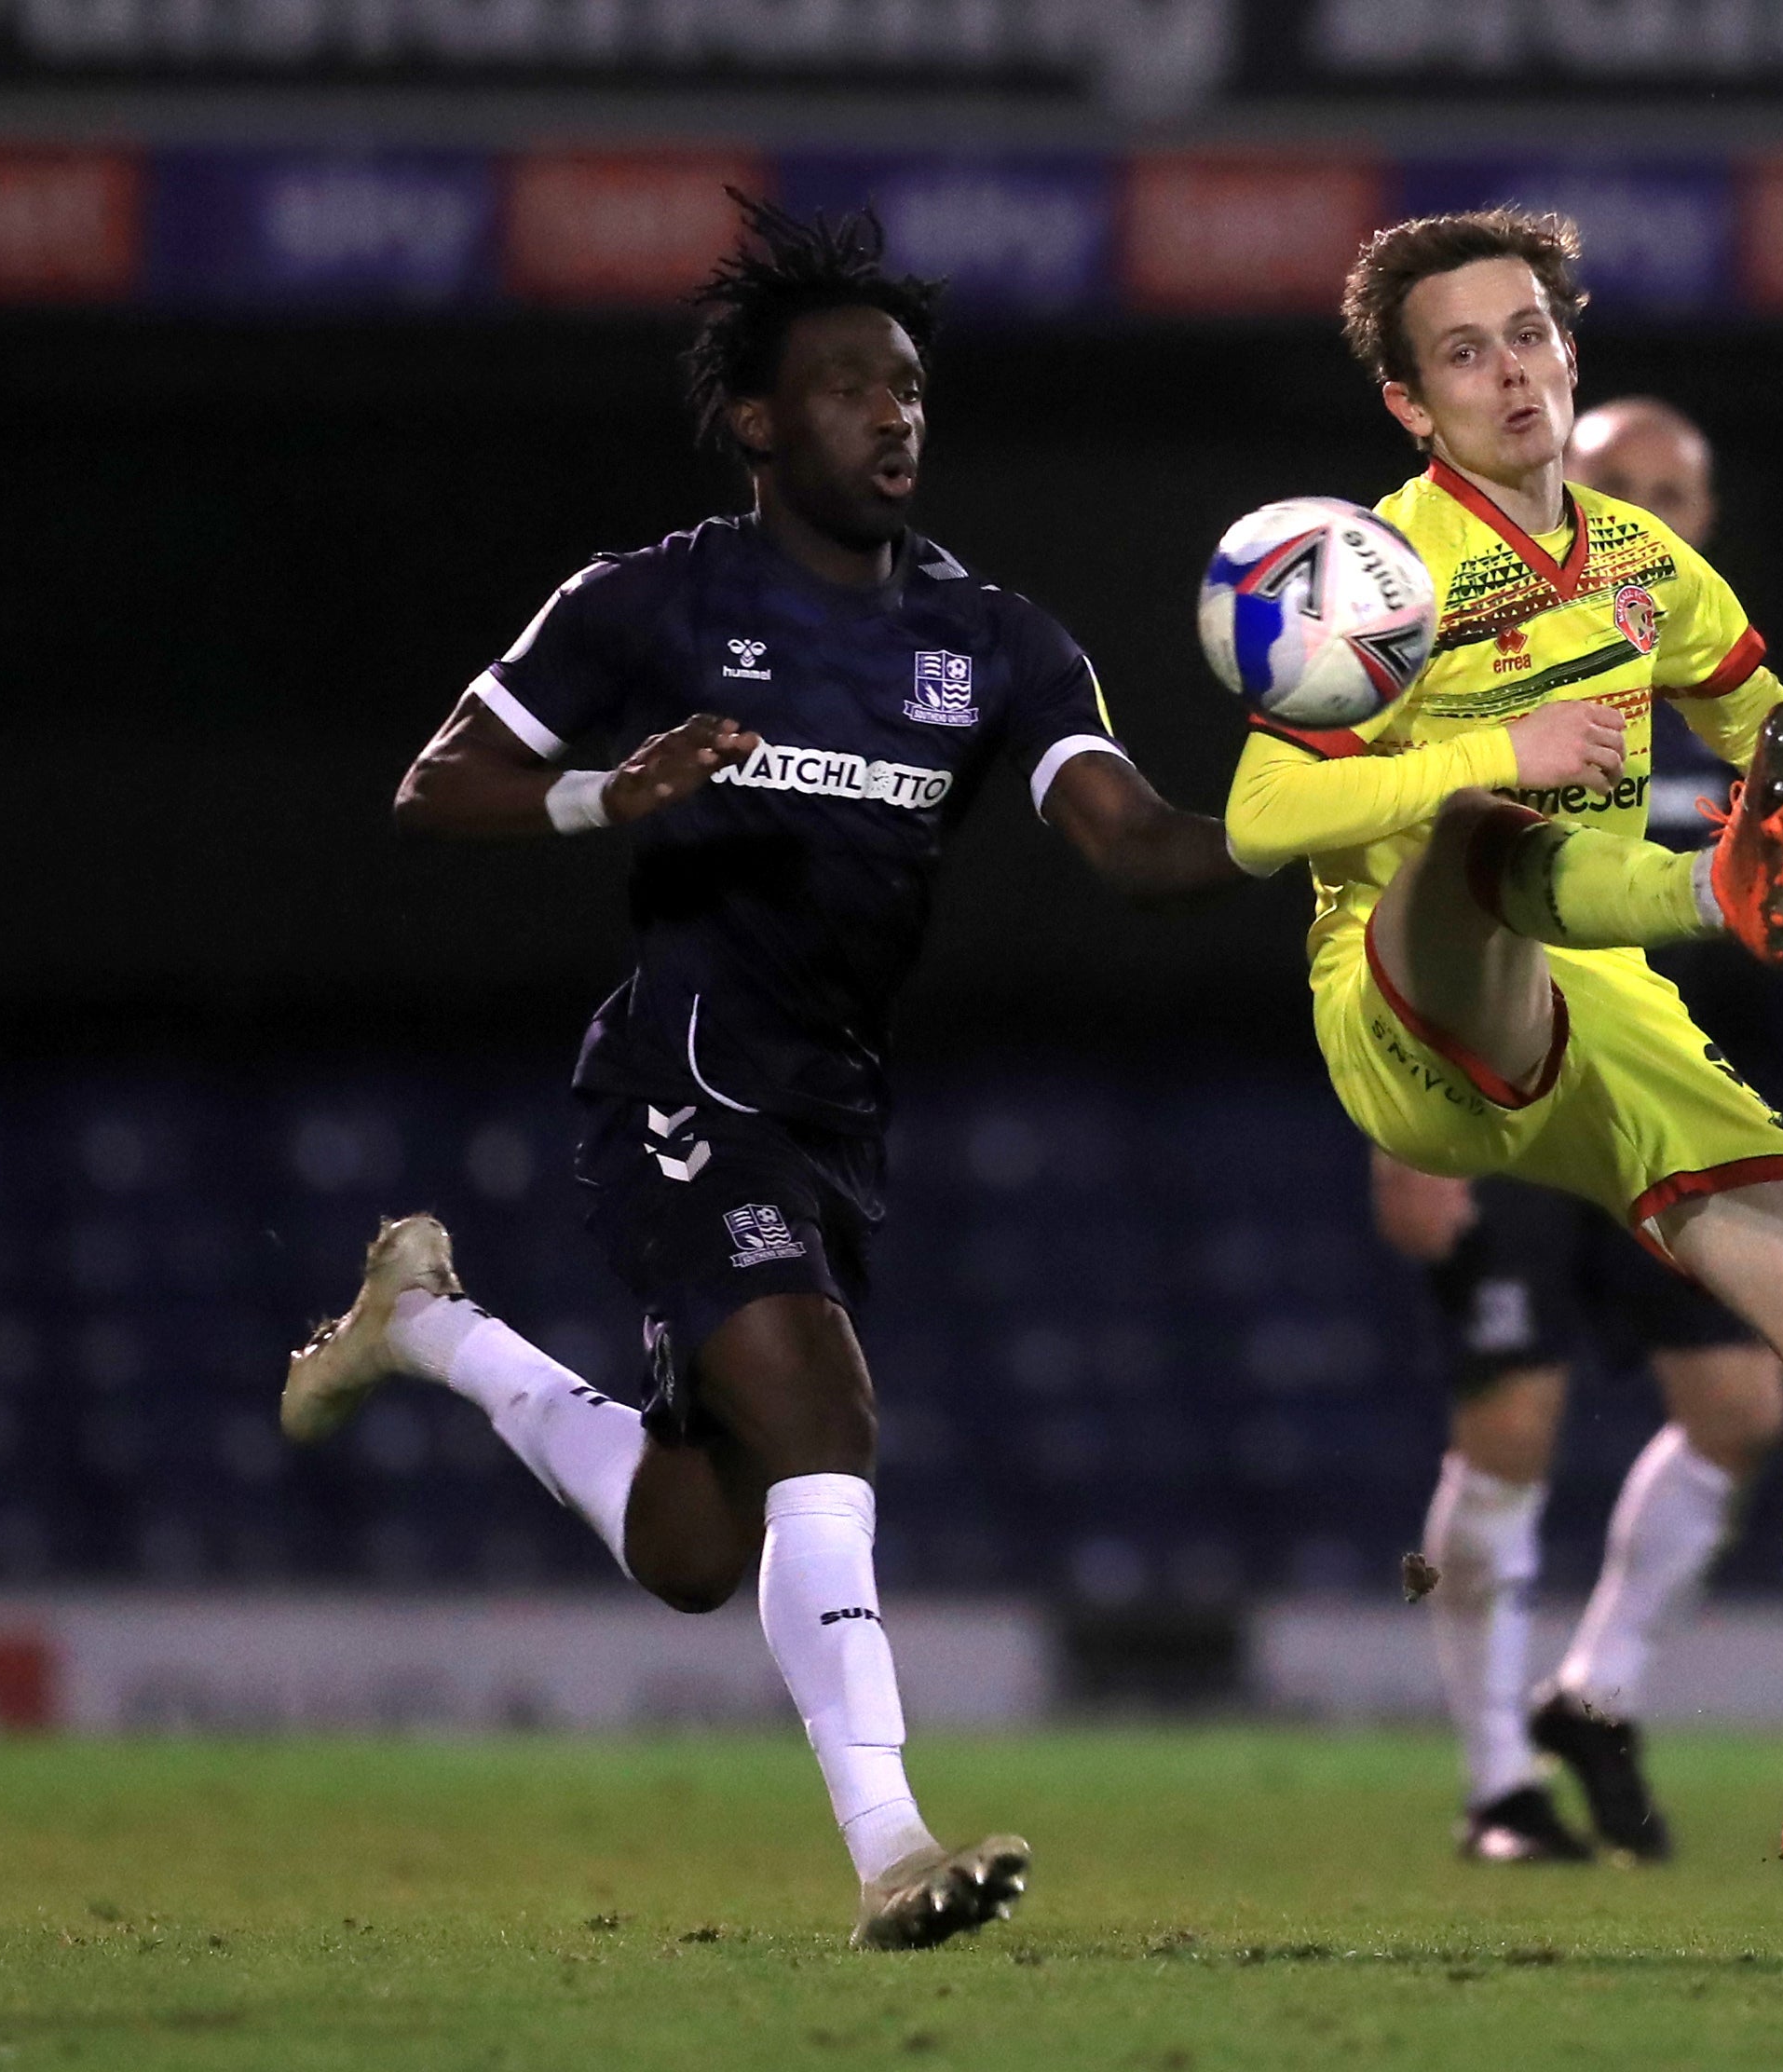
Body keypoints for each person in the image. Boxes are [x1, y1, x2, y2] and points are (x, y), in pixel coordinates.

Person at [278, 198, 1244, 1947]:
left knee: (697, 1546)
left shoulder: (997, 643)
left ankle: (426, 1329)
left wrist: (1369, 805)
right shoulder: (652, 601)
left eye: (911, 389)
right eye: (853, 387)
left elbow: (1148, 847)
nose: (895, 417)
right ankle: (892, 1847)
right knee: (825, 1407)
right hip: (683, 1071)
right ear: (759, 421)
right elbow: (435, 787)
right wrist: (607, 795)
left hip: (835, 1108)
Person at [1224, 208, 1783, 1935]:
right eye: (1465, 352)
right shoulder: (1381, 570)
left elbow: (1770, 725)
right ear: (1410, 405)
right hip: (1411, 1008)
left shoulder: (1645, 565)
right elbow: (1258, 813)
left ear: (1568, 351)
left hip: (1610, 1012)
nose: (1509, 370)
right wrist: (1492, 743)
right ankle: (1698, 888)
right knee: (1493, 829)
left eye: (1528, 334)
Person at [1371, 396, 1783, 1866]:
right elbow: (1400, 889)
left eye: (1678, 488)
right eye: (1621, 483)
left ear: (1699, 527)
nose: (1649, 508)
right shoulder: (1479, 684)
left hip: (1662, 1116)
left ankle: (1592, 1696)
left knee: (1738, 1414)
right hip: (1504, 1105)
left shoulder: (1727, 718)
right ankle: (1496, 1790)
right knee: (1516, 1427)